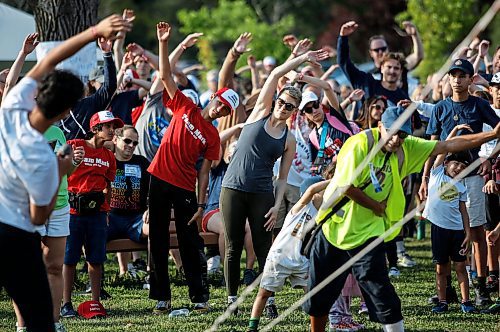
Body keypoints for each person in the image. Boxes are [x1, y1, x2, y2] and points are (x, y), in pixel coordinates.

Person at [304, 104, 500, 332]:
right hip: (334, 230)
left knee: (384, 296)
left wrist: (493, 135)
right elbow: (347, 186)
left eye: (403, 133)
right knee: (319, 297)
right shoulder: (358, 144)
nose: (397, 139)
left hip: (368, 235)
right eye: (393, 131)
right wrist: (376, 206)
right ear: (380, 127)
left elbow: (448, 144)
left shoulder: (407, 147)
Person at [0, 13, 131, 332]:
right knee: (40, 320)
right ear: (64, 112)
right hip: (17, 236)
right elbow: (37, 216)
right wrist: (62, 171)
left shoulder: (11, 109)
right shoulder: (46, 160)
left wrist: (93, 32)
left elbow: (50, 60)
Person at [220, 48, 329, 312]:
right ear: (276, 100)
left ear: (294, 111)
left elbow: (281, 178)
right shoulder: (258, 113)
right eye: (281, 102)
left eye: (290, 106)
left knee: (262, 247)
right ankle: (232, 300)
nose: (283, 108)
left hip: (261, 193)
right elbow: (276, 73)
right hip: (232, 188)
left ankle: (267, 299)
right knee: (234, 246)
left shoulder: (288, 139)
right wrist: (302, 59)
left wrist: (277, 203)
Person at [147, 22, 240, 314]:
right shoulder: (184, 105)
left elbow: (204, 171)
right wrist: (164, 43)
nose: (221, 110)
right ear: (214, 97)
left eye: (226, 110)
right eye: (221, 104)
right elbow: (164, 75)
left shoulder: (213, 136)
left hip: (185, 187)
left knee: (190, 242)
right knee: (158, 240)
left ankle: (199, 297)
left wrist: (201, 203)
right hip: (159, 179)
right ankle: (161, 296)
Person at [422, 59, 500, 306]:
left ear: (471, 79)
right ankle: (446, 289)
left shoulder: (478, 105)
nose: (457, 79)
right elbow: (433, 146)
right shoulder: (440, 108)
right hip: (444, 177)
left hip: (473, 175)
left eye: (462, 75)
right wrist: (425, 178)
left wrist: (490, 157)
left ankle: (481, 286)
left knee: (475, 231)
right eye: (453, 75)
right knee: (444, 229)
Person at [248, 178, 331, 332]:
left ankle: (319, 328)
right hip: (279, 257)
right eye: (323, 190)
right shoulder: (299, 208)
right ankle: (252, 327)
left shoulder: (324, 212)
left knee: (314, 296)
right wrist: (334, 180)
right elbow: (312, 189)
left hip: (301, 261)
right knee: (264, 293)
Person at [61, 111, 123, 318]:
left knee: (95, 259)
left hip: (97, 213)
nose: (113, 130)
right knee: (69, 259)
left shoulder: (108, 156)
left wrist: (107, 209)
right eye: (108, 126)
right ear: (96, 128)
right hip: (72, 211)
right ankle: (66, 303)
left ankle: (95, 303)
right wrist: (71, 161)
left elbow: (109, 184)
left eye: (114, 126)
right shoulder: (74, 144)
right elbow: (57, 168)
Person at [423, 124, 477, 314]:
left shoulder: (461, 186)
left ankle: (466, 301)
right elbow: (444, 145)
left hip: (457, 232)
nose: (459, 168)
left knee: (461, 267)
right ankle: (443, 301)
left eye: (463, 167)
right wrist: (453, 129)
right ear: (446, 162)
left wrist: (468, 233)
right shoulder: (437, 172)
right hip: (439, 229)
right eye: (456, 164)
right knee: (441, 268)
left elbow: (464, 211)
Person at [108, 125, 150, 276]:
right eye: (127, 141)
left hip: (136, 219)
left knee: (156, 228)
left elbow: (154, 189)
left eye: (135, 143)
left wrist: (150, 208)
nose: (131, 146)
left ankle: (153, 275)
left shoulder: (142, 163)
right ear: (115, 139)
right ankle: (96, 282)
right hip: (110, 218)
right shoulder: (107, 160)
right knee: (93, 230)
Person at [337, 21, 409, 109]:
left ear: (401, 71)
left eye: (396, 68)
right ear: (382, 68)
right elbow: (344, 62)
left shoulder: (403, 98)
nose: (392, 71)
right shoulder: (367, 83)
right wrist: (343, 37)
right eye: (389, 67)